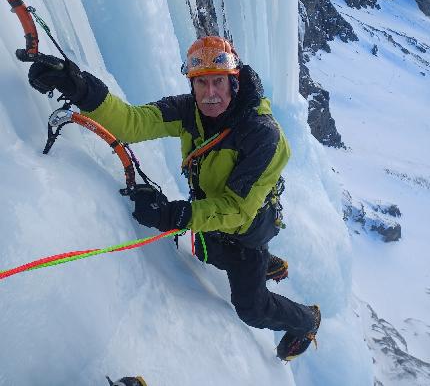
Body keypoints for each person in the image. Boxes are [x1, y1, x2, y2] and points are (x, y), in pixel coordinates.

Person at [28, 35, 320, 361]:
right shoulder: (187, 111)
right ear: (192, 85)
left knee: (251, 308)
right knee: (206, 253)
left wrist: (174, 215)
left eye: (218, 82)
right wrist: (80, 88)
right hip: (210, 217)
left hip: (247, 229)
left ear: (234, 83)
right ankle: (262, 265)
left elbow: (237, 210)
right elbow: (132, 122)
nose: (210, 94)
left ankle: (307, 320)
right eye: (202, 83)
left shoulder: (263, 134)